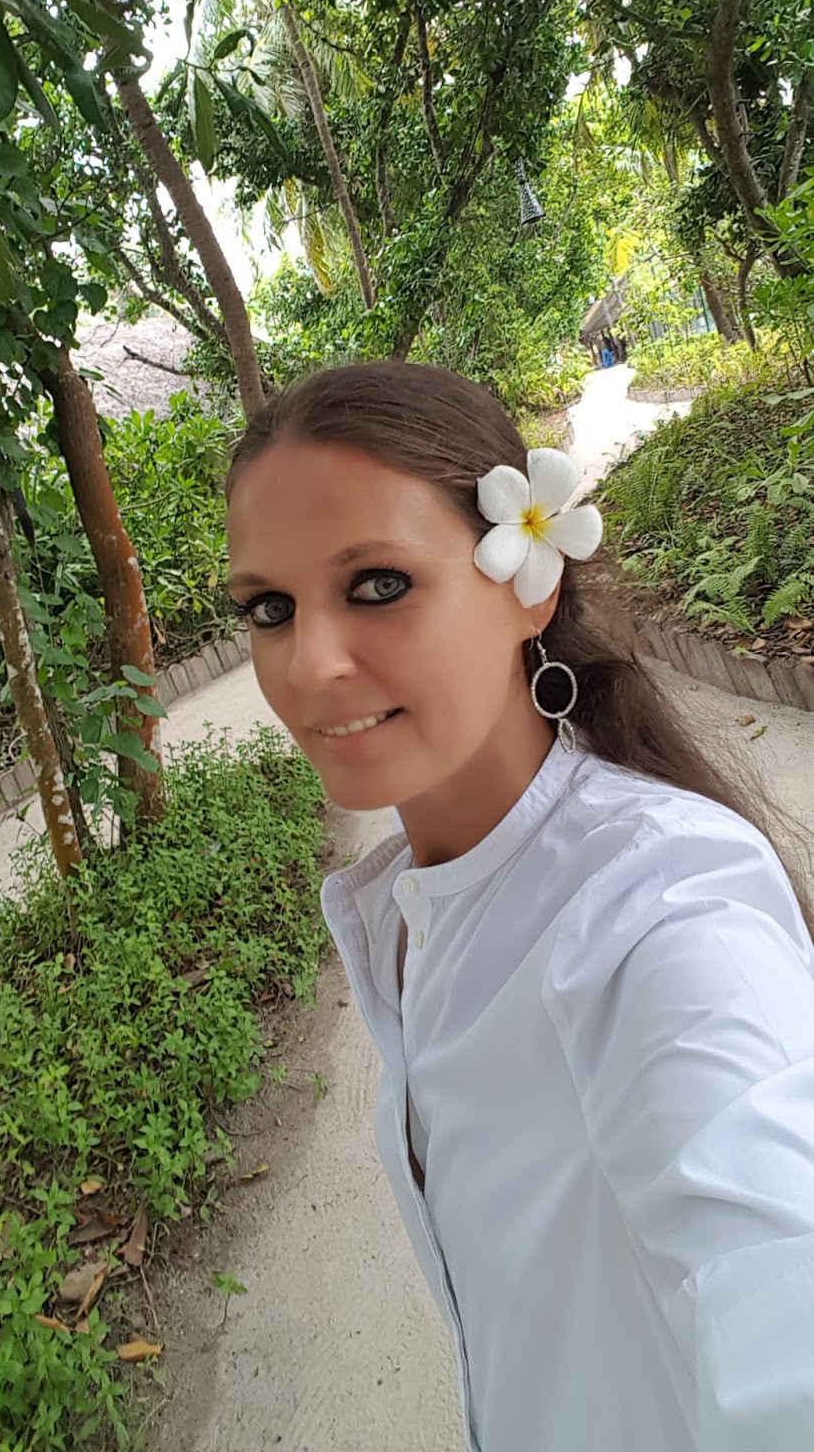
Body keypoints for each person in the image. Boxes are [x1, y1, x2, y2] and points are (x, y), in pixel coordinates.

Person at [225, 361, 814, 1452]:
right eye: (269, 607)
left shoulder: (658, 904)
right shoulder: (417, 912)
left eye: (378, 584)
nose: (308, 665)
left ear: (528, 586)